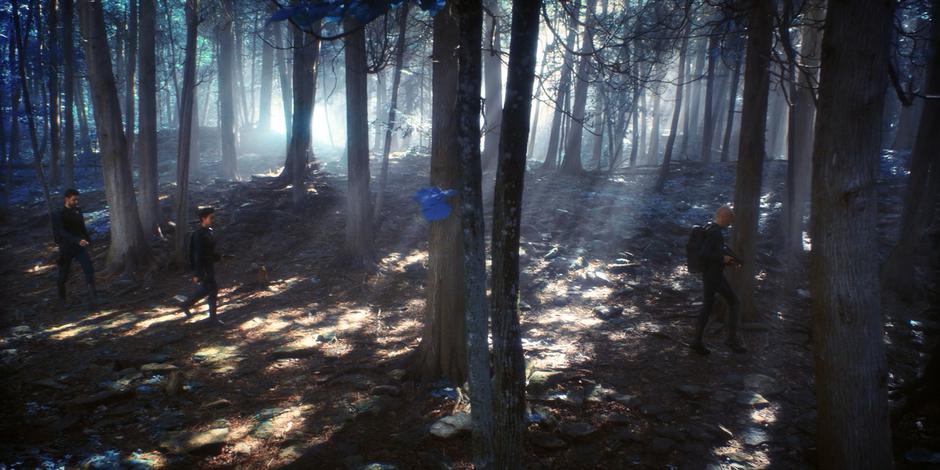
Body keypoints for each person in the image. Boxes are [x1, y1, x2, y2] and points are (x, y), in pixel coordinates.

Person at [691, 205, 747, 355]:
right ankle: (731, 340)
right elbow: (704, 254)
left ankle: (697, 342)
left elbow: (713, 253)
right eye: (729, 219)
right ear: (722, 217)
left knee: (708, 306)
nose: (730, 223)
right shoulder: (715, 233)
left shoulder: (710, 228)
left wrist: (728, 261)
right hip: (714, 276)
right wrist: (723, 258)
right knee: (734, 302)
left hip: (710, 274)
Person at [53, 188, 98, 308]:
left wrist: (88, 240)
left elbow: (82, 227)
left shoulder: (78, 210)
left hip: (80, 247)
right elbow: (61, 232)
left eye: (77, 199)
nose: (76, 202)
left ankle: (93, 298)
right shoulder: (59, 213)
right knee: (64, 274)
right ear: (66, 199)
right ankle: (62, 300)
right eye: (74, 200)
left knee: (89, 269)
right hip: (66, 248)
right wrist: (77, 240)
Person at [179, 206, 225, 325]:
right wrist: (197, 273)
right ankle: (213, 319)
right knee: (213, 290)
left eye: (213, 217)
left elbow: (209, 252)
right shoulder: (198, 235)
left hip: (209, 266)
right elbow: (197, 255)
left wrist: (221, 257)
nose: (213, 219)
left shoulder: (209, 231)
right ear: (203, 219)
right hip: (204, 268)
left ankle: (185, 304)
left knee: (205, 290)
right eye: (211, 217)